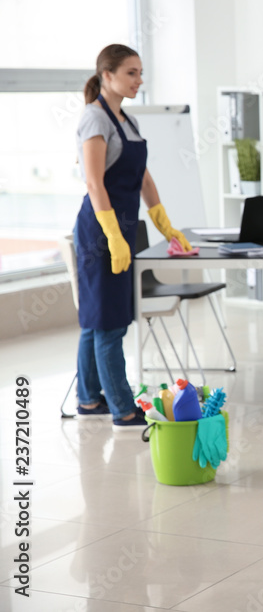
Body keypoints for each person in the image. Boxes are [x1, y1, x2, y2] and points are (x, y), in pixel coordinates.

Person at [74, 44, 192, 430]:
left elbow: (142, 176)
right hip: (99, 231)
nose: (138, 80)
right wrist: (112, 235)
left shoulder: (127, 119)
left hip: (122, 228)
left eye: (140, 73)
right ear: (106, 75)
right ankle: (123, 409)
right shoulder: (96, 120)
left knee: (97, 321)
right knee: (109, 322)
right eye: (130, 73)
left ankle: (90, 399)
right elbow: (94, 183)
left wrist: (164, 224)